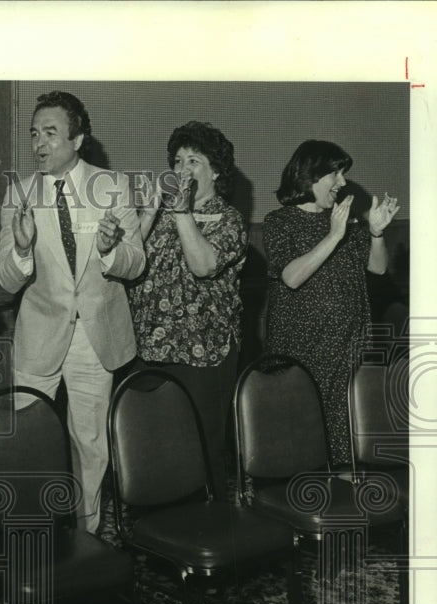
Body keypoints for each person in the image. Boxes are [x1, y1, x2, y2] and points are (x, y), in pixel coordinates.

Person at [0, 91, 145, 534]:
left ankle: (86, 536)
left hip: (95, 337)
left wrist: (110, 251)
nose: (39, 144)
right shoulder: (18, 194)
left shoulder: (113, 187)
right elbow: (5, 281)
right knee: (26, 440)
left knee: (90, 443)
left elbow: (137, 263)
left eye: (51, 133)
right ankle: (28, 533)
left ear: (77, 140)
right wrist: (21, 249)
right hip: (38, 336)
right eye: (34, 134)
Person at [128, 121, 247, 498]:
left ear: (216, 172)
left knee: (200, 449)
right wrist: (148, 215)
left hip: (204, 353)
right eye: (177, 160)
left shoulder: (228, 220)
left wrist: (181, 213)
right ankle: (160, 537)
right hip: (150, 349)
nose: (182, 169)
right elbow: (128, 265)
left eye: (193, 161)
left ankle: (207, 534)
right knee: (154, 451)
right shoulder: (160, 214)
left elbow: (203, 265)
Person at [264, 140, 399, 465]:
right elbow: (292, 277)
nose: (342, 182)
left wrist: (376, 233)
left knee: (344, 451)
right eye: (334, 174)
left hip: (346, 353)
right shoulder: (280, 222)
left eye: (343, 174)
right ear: (309, 175)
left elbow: (377, 267)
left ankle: (343, 509)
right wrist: (333, 236)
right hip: (303, 354)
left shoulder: (345, 222)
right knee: (304, 445)